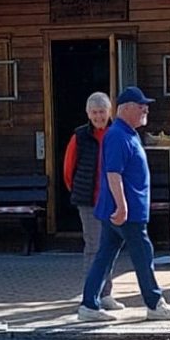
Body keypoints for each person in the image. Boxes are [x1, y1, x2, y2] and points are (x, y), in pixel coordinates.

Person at [77, 85, 170, 324]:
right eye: (141, 106)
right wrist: (122, 206)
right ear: (126, 109)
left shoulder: (127, 133)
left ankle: (89, 304)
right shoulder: (118, 135)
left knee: (104, 256)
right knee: (143, 254)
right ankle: (154, 304)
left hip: (120, 210)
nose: (146, 110)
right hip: (126, 212)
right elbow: (113, 173)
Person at [63, 90, 123, 313]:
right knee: (94, 248)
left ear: (110, 112)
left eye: (102, 112)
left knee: (110, 248)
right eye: (94, 112)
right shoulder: (79, 136)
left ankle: (106, 294)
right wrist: (80, 192)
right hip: (89, 201)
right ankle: (93, 295)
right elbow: (68, 169)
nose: (99, 116)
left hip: (113, 200)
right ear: (88, 114)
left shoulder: (117, 133)